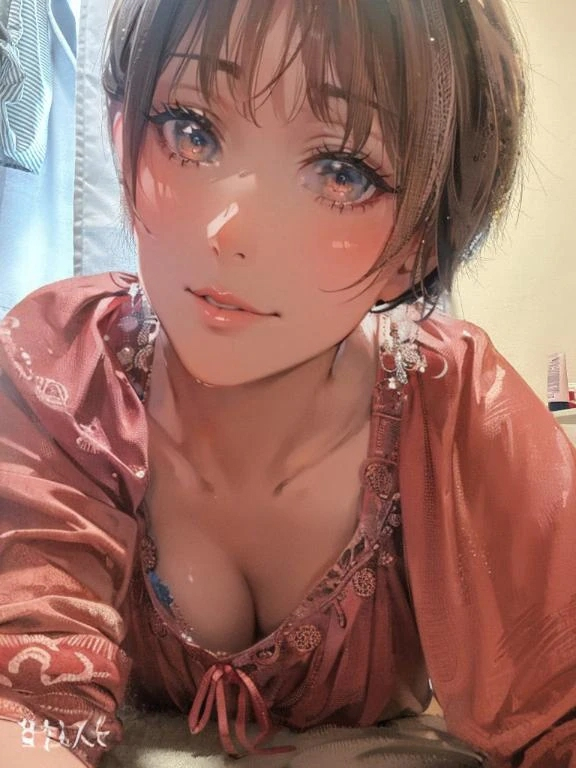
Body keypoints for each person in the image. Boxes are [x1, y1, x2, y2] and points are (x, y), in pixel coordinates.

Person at [0, 0, 575, 766]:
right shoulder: (63, 366)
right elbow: (25, 701)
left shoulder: (457, 408)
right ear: (120, 132)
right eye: (190, 131)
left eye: (341, 171)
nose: (230, 230)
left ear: (419, 246)